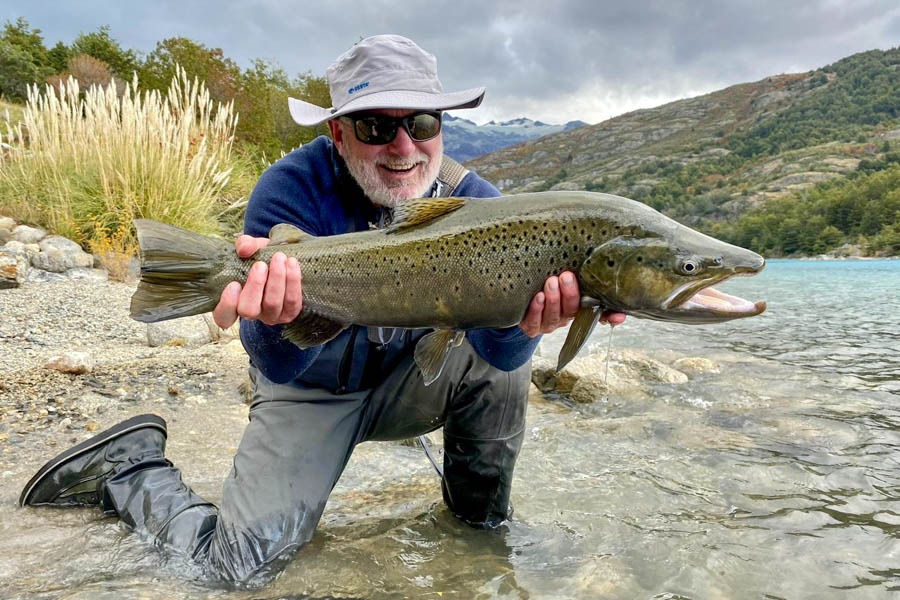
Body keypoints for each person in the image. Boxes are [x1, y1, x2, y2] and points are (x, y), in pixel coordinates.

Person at [19, 34, 625, 585]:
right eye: (374, 128)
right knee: (232, 572)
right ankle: (131, 470)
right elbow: (276, 368)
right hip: (310, 388)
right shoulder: (290, 190)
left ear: (442, 126)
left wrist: (525, 325)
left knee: (505, 369)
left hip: (416, 379)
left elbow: (497, 354)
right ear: (338, 133)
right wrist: (277, 325)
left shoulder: (481, 205)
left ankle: (477, 533)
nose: (404, 147)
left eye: (420, 122)